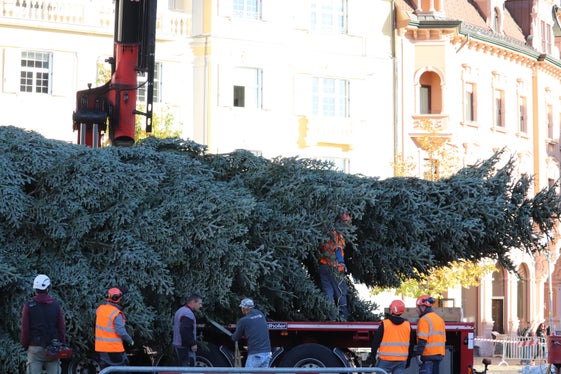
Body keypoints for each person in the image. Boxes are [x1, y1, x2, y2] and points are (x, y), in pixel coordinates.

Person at [20, 274, 67, 374]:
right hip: (53, 348)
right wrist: (62, 344)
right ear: (48, 288)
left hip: (35, 348)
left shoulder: (28, 307)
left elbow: (25, 330)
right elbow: (61, 329)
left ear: (35, 289)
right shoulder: (56, 306)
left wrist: (25, 345)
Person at [319, 212, 351, 321]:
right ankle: (344, 317)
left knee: (328, 291)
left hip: (323, 265)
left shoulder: (325, 232)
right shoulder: (337, 234)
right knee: (340, 292)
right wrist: (341, 262)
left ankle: (331, 317)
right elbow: (338, 248)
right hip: (335, 267)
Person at [94, 287, 134, 369]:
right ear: (119, 299)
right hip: (114, 349)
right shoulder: (116, 313)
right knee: (122, 370)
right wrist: (130, 340)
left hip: (101, 349)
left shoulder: (100, 309)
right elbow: (121, 332)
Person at [371, 300, 414, 374]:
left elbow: (375, 342)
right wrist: (409, 360)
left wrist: (373, 358)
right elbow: (411, 344)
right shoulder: (407, 325)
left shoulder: (385, 324)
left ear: (391, 310)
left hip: (385, 360)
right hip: (401, 361)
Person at [231, 298, 272, 368]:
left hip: (256, 355)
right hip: (267, 353)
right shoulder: (260, 314)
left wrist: (232, 335)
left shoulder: (243, 321)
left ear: (244, 308)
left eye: (241, 307)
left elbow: (235, 338)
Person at [413, 295, 446, 374]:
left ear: (423, 307)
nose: (416, 310)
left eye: (418, 307)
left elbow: (422, 339)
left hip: (428, 355)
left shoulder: (424, 320)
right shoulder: (439, 319)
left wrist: (418, 354)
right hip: (438, 355)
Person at [172, 293, 203, 367]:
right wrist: (192, 343)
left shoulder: (180, 310)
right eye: (199, 303)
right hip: (185, 347)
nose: (200, 306)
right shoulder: (188, 314)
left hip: (178, 346)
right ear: (192, 302)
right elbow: (184, 329)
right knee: (188, 370)